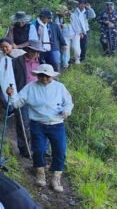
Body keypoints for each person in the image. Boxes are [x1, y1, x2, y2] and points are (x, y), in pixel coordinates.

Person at [6, 64, 74, 192]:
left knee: (60, 150)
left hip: (57, 124)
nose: (44, 78)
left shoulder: (60, 87)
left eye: (47, 76)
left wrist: (66, 111)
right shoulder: (30, 87)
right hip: (37, 124)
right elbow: (17, 102)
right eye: (41, 76)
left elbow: (68, 103)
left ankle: (56, 177)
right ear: (37, 75)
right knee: (38, 150)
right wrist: (11, 95)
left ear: (51, 76)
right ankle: (40, 173)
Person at [12, 40, 45, 158]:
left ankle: (39, 149)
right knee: (23, 122)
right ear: (28, 50)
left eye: (37, 52)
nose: (35, 53)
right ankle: (24, 149)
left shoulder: (41, 63)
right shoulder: (16, 61)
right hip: (21, 96)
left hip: (38, 97)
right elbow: (10, 79)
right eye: (33, 51)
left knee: (38, 123)